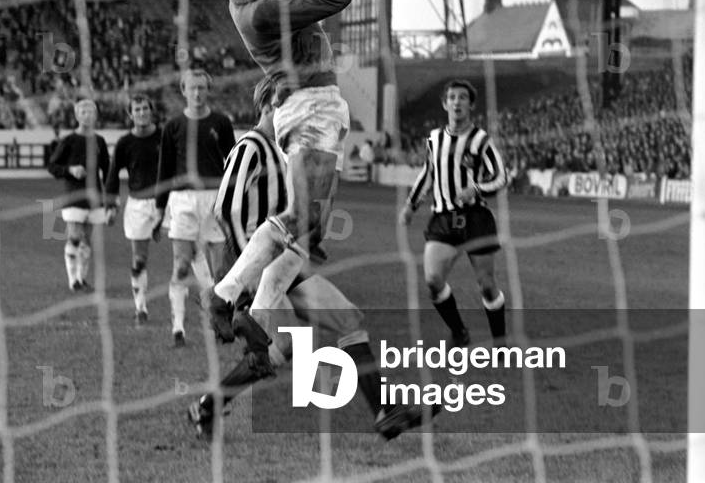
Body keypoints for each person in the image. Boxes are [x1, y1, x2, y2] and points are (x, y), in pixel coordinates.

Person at [187, 75, 432, 441]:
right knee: (284, 347)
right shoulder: (249, 147)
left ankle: (385, 411)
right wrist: (248, 277)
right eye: (285, 100)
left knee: (349, 318)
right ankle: (208, 405)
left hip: (289, 263)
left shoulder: (287, 153)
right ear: (268, 105)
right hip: (255, 268)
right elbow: (226, 210)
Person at [201, 0, 352, 344]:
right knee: (300, 218)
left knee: (313, 228)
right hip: (309, 108)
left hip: (314, 106)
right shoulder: (261, 11)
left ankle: (256, 317)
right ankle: (225, 295)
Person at [399, 80, 509, 347]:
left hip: (475, 219)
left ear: (471, 105)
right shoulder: (434, 139)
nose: (456, 102)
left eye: (462, 98)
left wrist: (476, 189)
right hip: (443, 219)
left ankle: (500, 342)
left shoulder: (481, 140)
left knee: (486, 285)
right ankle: (459, 331)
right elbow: (428, 174)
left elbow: (502, 177)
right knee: (433, 281)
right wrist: (411, 205)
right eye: (452, 97)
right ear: (444, 103)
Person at [155, 69, 236, 347]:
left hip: (214, 200)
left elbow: (233, 163)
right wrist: (159, 207)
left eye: (202, 88)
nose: (198, 93)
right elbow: (164, 169)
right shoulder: (173, 126)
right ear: (183, 90)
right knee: (180, 265)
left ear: (208, 89)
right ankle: (178, 328)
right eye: (193, 88)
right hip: (183, 200)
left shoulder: (221, 123)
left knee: (219, 272)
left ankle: (218, 320)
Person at [105, 93, 163, 325]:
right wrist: (110, 204)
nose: (141, 113)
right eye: (136, 110)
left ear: (151, 110)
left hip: (168, 202)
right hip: (138, 204)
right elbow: (112, 174)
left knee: (193, 252)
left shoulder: (165, 136)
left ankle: (212, 304)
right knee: (139, 259)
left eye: (145, 108)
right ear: (130, 114)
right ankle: (140, 308)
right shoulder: (124, 143)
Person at [47, 99, 111, 292]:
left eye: (91, 112)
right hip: (73, 195)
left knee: (87, 240)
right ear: (76, 116)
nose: (87, 115)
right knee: (74, 236)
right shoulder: (69, 140)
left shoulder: (99, 141)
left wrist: (109, 196)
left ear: (96, 115)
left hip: (94, 198)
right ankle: (73, 279)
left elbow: (107, 170)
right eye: (83, 112)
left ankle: (82, 279)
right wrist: (70, 170)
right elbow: (52, 166)